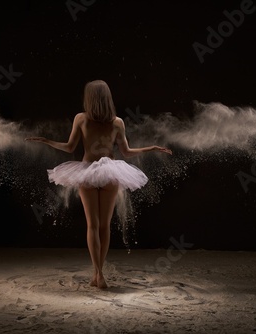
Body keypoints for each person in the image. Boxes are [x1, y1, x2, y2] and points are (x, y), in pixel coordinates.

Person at [25, 80, 172, 288]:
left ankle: (98, 273)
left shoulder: (81, 119)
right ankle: (99, 274)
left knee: (92, 225)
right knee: (104, 226)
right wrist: (151, 148)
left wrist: (47, 141)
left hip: (87, 172)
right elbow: (127, 152)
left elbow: (69, 147)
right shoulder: (117, 122)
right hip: (110, 172)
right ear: (107, 98)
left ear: (90, 98)